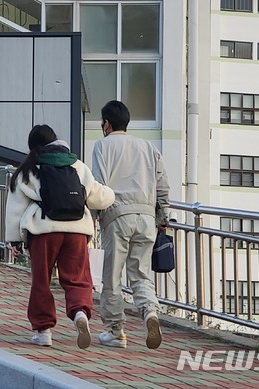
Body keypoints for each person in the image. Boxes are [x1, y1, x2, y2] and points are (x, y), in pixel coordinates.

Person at [5, 124, 115, 349]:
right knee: (77, 278)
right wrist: (113, 193)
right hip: (77, 230)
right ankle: (80, 314)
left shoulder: (28, 170)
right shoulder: (77, 165)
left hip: (43, 231)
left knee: (41, 280)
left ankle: (43, 330)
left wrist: (15, 239)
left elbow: (15, 208)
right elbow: (98, 197)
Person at [91, 100, 170, 350]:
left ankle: (116, 331)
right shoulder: (148, 147)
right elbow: (162, 185)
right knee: (140, 274)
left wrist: (92, 218)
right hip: (146, 218)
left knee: (112, 276)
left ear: (106, 123)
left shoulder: (102, 146)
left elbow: (99, 186)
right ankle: (150, 312)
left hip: (116, 216)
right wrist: (162, 218)